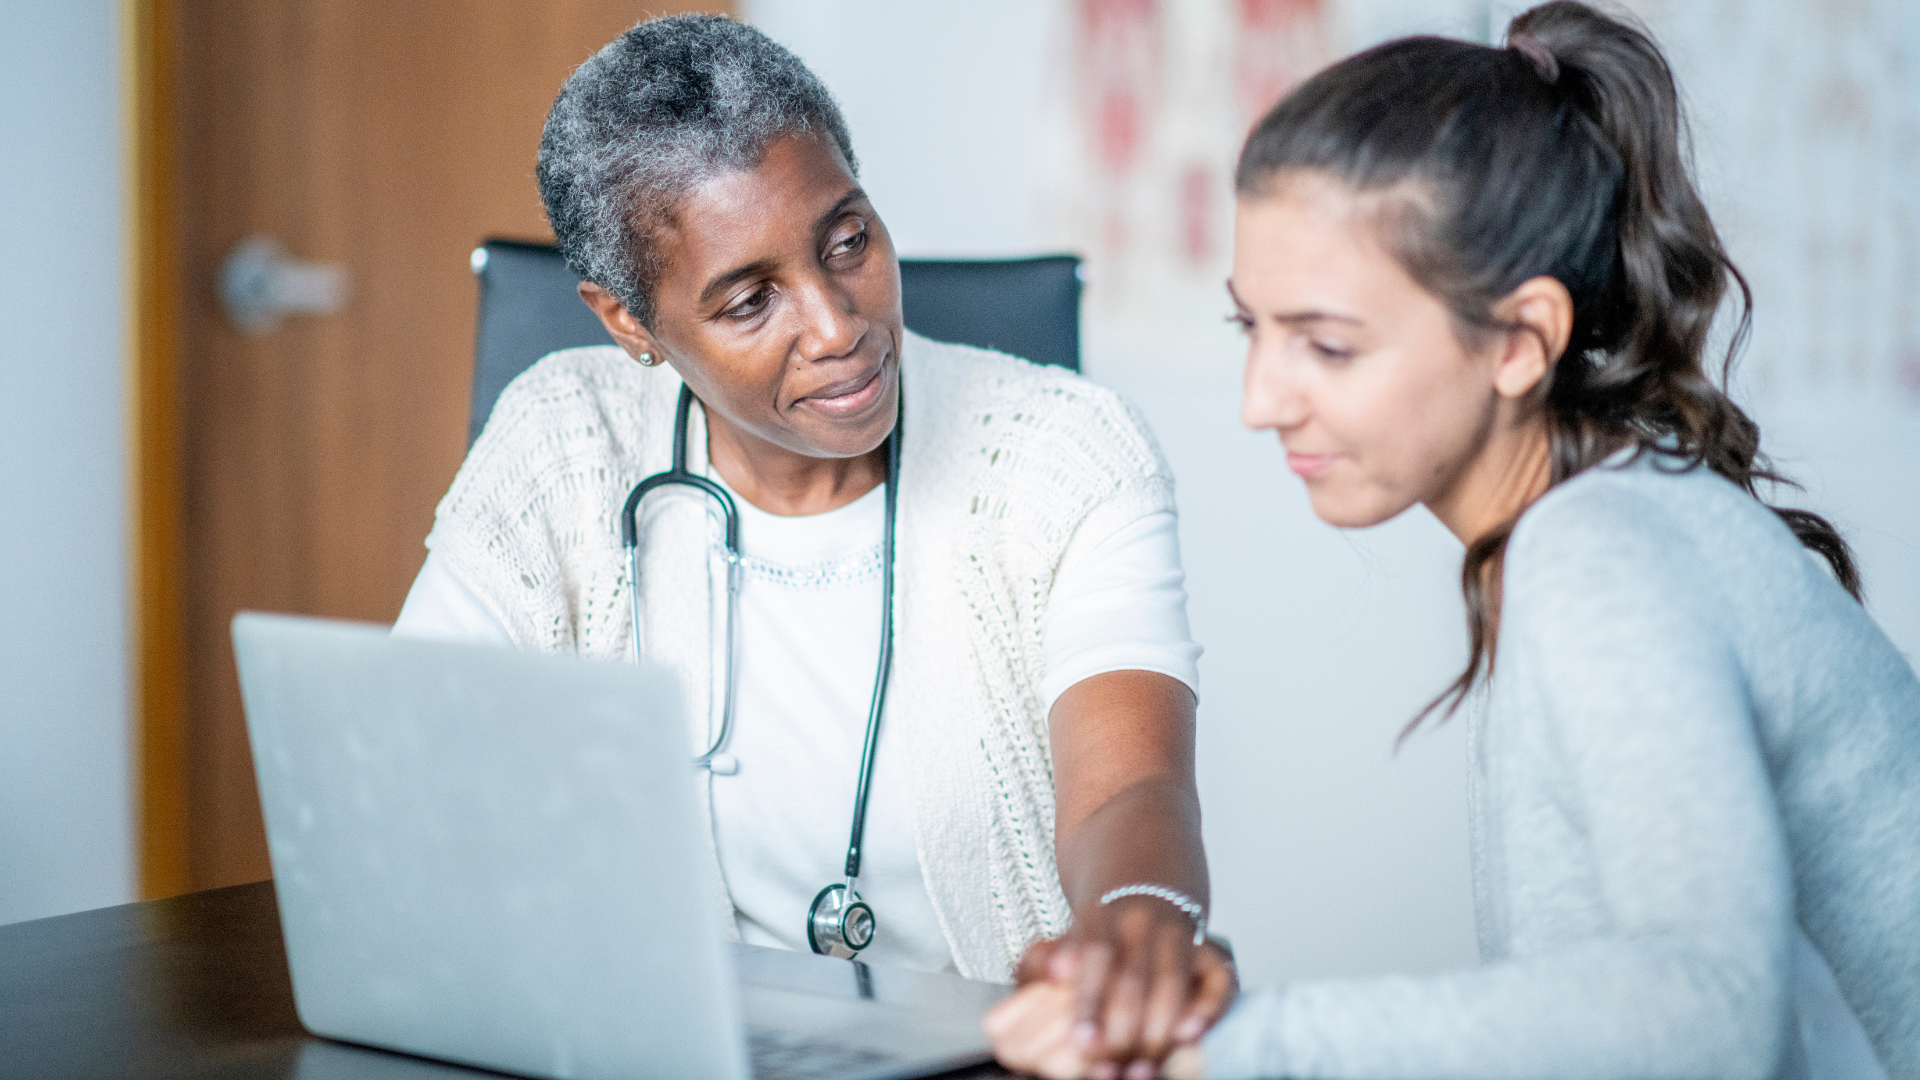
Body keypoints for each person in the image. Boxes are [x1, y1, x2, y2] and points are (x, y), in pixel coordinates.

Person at [986, 3, 1920, 1078]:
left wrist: (1228, 1048)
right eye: (1255, 327)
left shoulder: (1603, 556)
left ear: (1520, 341)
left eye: (1328, 346)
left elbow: (1711, 1016)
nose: (1260, 400)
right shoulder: (1587, 520)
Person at [392, 12, 1235, 1062]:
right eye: (751, 300)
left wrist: (1139, 914)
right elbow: (406, 778)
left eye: (848, 241)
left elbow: (1130, 784)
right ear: (628, 324)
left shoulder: (1063, 453)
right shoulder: (561, 442)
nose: (839, 326)